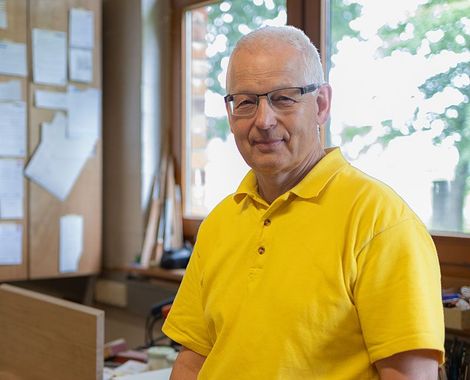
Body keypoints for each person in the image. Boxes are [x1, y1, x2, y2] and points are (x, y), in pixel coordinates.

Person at [162, 25, 444, 379]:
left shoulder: (382, 222)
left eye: (283, 98)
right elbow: (194, 360)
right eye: (246, 101)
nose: (263, 121)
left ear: (321, 105)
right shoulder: (220, 222)